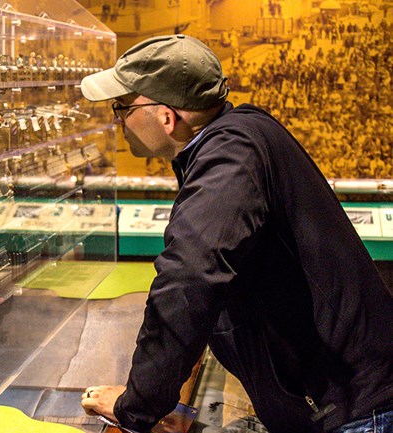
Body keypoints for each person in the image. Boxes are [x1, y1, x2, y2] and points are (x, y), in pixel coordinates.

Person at [78, 34, 393, 433]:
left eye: (122, 107)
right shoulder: (240, 137)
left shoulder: (230, 155)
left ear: (166, 117)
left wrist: (136, 405)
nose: (118, 120)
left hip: (355, 410)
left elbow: (189, 280)